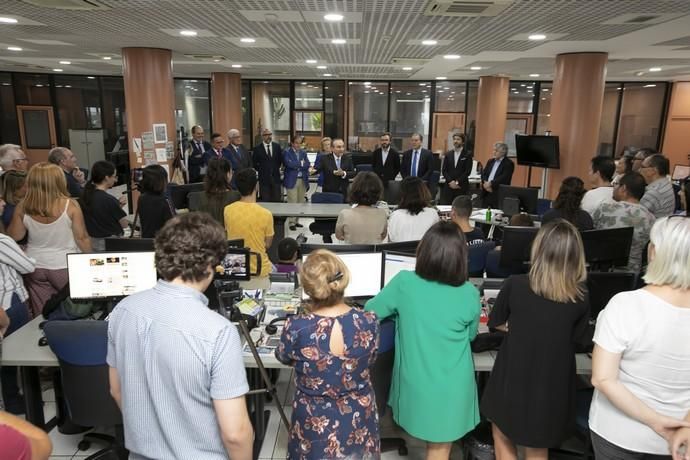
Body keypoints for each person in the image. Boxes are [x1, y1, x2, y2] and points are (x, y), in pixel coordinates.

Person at [107, 212, 253, 460]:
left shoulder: (123, 310)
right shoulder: (218, 331)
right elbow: (235, 433)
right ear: (209, 265)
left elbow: (117, 390)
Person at [366, 221, 480, 459]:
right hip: (453, 386)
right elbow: (470, 336)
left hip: (415, 384)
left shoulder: (405, 283)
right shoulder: (469, 292)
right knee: (440, 449)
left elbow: (370, 312)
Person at [481, 220, 590, 460]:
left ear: (538, 249)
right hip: (553, 386)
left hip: (513, 377)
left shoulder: (515, 285)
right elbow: (580, 341)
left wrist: (522, 328)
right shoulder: (581, 296)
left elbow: (496, 322)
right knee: (538, 448)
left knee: (501, 435)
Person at [589, 216, 690, 459]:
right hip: (679, 438)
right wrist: (684, 424)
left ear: (654, 252)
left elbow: (603, 379)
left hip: (618, 434)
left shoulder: (626, 305)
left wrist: (656, 422)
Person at [276, 249, 380, 459]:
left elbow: (283, 357)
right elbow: (371, 358)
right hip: (358, 414)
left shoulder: (297, 327)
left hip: (314, 419)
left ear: (308, 287)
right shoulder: (369, 321)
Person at [8, 163, 91, 317]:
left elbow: (14, 236)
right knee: (74, 310)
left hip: (35, 266)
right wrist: (91, 260)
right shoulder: (70, 205)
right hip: (65, 266)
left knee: (43, 312)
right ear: (59, 181)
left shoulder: (22, 206)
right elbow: (82, 238)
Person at [591, 172, 655, 273]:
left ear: (623, 188)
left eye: (616, 184)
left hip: (601, 271)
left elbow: (592, 234)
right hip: (631, 274)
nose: (614, 188)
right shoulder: (650, 218)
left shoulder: (604, 208)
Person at [0, 231, 35, 414]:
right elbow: (27, 266)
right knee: (14, 355)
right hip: (8, 302)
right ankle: (14, 401)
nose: (3, 203)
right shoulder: (2, 240)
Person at [224, 168, 274, 279]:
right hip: (259, 268)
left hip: (234, 267)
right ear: (256, 186)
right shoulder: (266, 214)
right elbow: (267, 245)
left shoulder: (227, 210)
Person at [79, 160, 128, 251]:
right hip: (111, 244)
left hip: (92, 242)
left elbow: (100, 215)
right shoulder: (109, 199)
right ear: (106, 178)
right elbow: (124, 224)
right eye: (114, 176)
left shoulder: (85, 196)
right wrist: (118, 207)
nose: (116, 180)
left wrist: (118, 206)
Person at [335, 171, 388, 244]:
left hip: (350, 254)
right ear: (377, 192)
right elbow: (383, 236)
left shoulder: (344, 214)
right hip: (374, 254)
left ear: (353, 190)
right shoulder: (382, 214)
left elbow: (339, 236)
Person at [387, 176, 439, 242]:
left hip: (400, 252)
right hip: (425, 252)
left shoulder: (396, 215)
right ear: (424, 192)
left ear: (401, 194)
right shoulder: (433, 214)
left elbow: (390, 240)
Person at [198, 157, 240, 225]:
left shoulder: (199, 197)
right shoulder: (236, 196)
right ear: (228, 174)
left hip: (208, 234)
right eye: (231, 171)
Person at [136, 164, 174, 239]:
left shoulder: (141, 198)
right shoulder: (164, 200)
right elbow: (173, 223)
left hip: (146, 239)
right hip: (162, 241)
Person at [283, 135, 310, 230]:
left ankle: (297, 221)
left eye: (300, 143)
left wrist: (298, 164)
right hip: (291, 180)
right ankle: (291, 222)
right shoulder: (287, 152)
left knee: (300, 202)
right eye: (296, 143)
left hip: (302, 180)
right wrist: (301, 164)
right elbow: (288, 164)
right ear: (292, 143)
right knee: (292, 202)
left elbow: (308, 164)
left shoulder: (303, 153)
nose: (298, 145)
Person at [252, 128, 283, 202]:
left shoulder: (277, 147)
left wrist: (274, 169)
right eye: (266, 135)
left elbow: (279, 161)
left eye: (270, 134)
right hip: (264, 180)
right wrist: (263, 170)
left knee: (277, 201)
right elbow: (254, 163)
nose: (268, 136)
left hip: (276, 179)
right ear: (262, 136)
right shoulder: (257, 149)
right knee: (266, 201)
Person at [440, 133, 473, 205]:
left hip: (461, 186)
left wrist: (457, 182)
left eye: (458, 139)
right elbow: (444, 170)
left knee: (460, 207)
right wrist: (451, 182)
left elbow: (467, 171)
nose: (455, 141)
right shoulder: (448, 154)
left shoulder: (467, 154)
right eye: (454, 139)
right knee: (447, 207)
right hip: (449, 186)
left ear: (463, 142)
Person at [640, 154, 676, 218]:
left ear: (653, 170)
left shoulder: (654, 192)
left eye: (642, 167)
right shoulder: (666, 183)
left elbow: (636, 215)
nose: (639, 170)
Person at [481, 142, 514, 208]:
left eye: (496, 151)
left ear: (503, 152)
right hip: (486, 191)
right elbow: (484, 173)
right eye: (494, 150)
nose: (494, 152)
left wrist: (490, 184)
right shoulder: (490, 161)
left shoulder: (508, 163)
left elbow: (504, 178)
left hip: (498, 193)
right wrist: (485, 184)